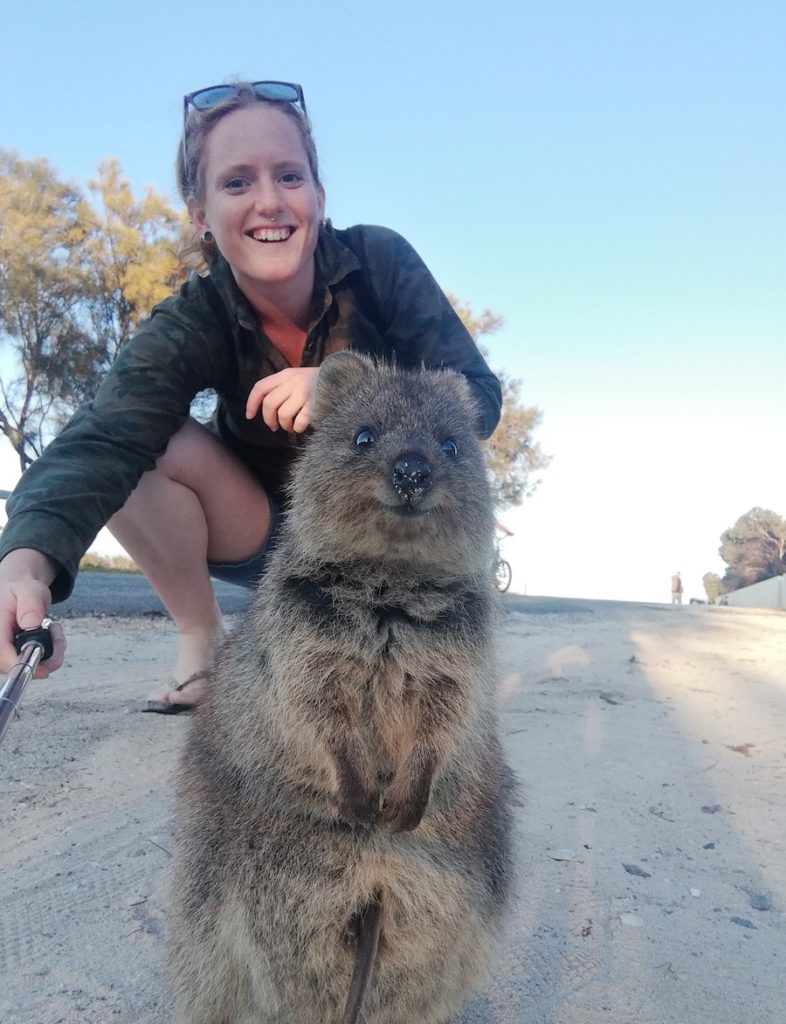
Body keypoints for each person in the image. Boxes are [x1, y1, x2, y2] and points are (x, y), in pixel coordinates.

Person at [0, 80, 502, 712]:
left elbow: (477, 396)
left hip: (400, 527)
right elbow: (105, 436)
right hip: (268, 532)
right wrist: (24, 565)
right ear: (199, 211)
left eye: (289, 176)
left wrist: (349, 390)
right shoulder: (195, 317)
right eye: (237, 183)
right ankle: (203, 640)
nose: (269, 201)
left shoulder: (380, 262)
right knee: (145, 444)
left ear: (319, 196)